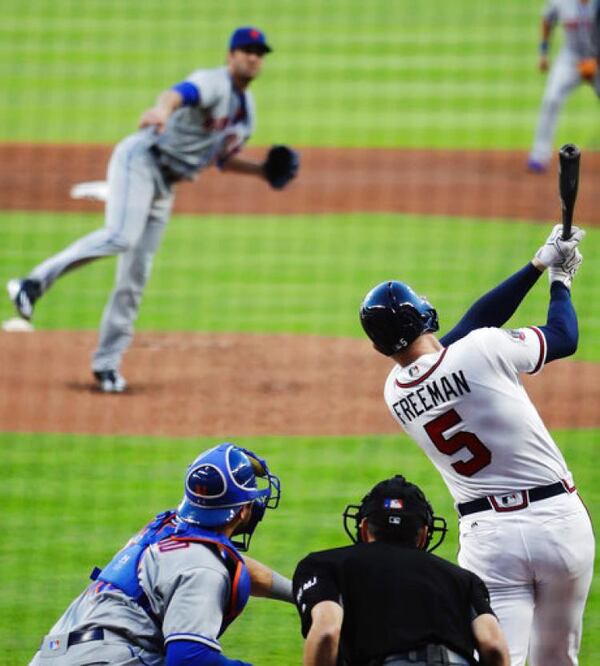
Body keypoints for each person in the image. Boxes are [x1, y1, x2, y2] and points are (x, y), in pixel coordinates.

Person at [7, 26, 299, 393]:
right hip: (141, 160)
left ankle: (106, 366)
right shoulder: (212, 83)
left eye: (259, 52)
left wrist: (261, 172)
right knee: (120, 236)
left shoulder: (246, 113)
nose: (254, 57)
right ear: (231, 55)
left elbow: (221, 158)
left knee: (135, 277)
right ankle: (31, 284)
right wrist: (161, 111)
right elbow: (177, 94)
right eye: (247, 51)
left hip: (166, 185)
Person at [358, 225, 594, 666]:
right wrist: (559, 281)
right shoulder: (482, 347)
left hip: (490, 540)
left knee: (496, 657)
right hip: (559, 524)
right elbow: (564, 337)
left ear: (377, 345)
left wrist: (537, 264)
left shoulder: (394, 392)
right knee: (558, 659)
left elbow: (473, 329)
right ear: (425, 315)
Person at [30, 442, 293, 665]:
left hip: (52, 655)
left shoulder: (167, 531)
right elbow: (190, 659)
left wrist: (301, 595)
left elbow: (234, 569)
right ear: (243, 511)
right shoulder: (204, 568)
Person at [293, 474, 510, 666]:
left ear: (364, 528)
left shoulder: (324, 564)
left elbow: (326, 633)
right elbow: (493, 646)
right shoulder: (464, 579)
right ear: (424, 534)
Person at [527, 0, 600, 173]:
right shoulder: (561, 2)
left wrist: (595, 61)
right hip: (570, 58)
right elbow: (547, 19)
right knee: (551, 99)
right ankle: (539, 155)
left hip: (597, 57)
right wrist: (543, 52)